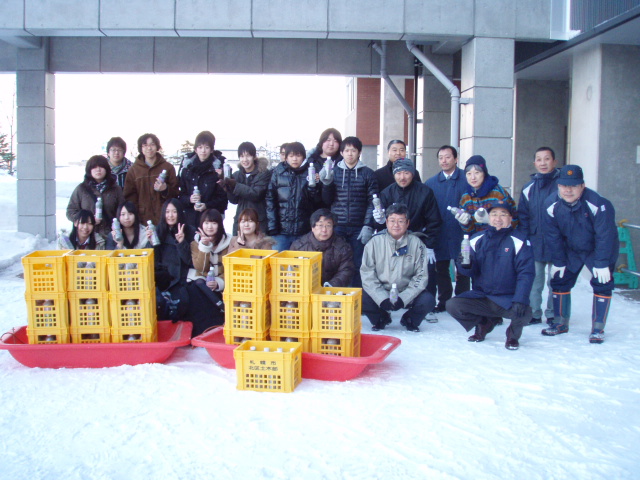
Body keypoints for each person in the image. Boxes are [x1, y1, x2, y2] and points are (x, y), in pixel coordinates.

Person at [541, 165, 619, 344]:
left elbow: (605, 235)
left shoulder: (599, 204)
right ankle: (560, 323)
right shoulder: (550, 205)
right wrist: (559, 261)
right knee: (560, 280)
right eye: (564, 186)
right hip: (571, 249)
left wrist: (601, 263)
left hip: (597, 249)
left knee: (603, 282)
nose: (568, 190)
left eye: (574, 186)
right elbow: (553, 236)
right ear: (558, 186)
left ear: (582, 186)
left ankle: (598, 328)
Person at [446, 199, 534, 350]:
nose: (498, 219)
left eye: (503, 214)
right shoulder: (477, 239)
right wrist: (465, 265)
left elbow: (526, 274)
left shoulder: (519, 241)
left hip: (507, 299)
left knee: (525, 313)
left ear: (510, 217)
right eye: (494, 214)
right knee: (453, 305)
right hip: (482, 296)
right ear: (488, 217)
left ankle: (513, 335)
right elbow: (469, 271)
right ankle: (484, 324)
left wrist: (520, 299)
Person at [360, 203, 435, 332]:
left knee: (427, 300)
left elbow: (421, 276)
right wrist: (381, 298)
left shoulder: (417, 244)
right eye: (392, 221)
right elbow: (367, 274)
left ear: (407, 223)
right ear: (386, 222)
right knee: (360, 297)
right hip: (382, 289)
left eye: (401, 221)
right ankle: (380, 318)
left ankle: (410, 319)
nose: (396, 225)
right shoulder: (374, 243)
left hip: (406, 290)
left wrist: (404, 298)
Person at [319, 136, 378, 287]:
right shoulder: (334, 172)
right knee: (335, 263)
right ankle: (336, 298)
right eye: (347, 150)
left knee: (358, 264)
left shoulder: (368, 174)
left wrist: (368, 225)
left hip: (359, 227)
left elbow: (373, 202)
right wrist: (326, 183)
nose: (350, 154)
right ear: (342, 152)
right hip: (338, 226)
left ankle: (357, 297)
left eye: (353, 150)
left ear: (359, 152)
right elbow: (326, 201)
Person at [424, 145, 471, 312]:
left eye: (448, 157)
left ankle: (463, 301)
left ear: (456, 159)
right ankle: (443, 301)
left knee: (464, 267)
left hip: (462, 233)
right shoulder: (431, 183)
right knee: (441, 268)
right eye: (441, 158)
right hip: (441, 233)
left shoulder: (466, 179)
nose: (444, 161)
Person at [517, 147, 561, 325]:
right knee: (534, 281)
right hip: (534, 241)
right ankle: (534, 313)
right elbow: (523, 216)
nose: (543, 163)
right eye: (539, 159)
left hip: (558, 242)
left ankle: (553, 313)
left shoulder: (563, 186)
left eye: (547, 159)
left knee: (556, 281)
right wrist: (525, 239)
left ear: (554, 162)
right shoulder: (528, 188)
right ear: (534, 163)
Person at [376, 157, 441, 262]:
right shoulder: (386, 193)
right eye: (398, 173)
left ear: (412, 173)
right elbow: (380, 224)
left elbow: (434, 221)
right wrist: (380, 221)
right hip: (393, 245)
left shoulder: (425, 192)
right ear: (394, 174)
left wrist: (429, 246)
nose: (402, 177)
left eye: (406, 173)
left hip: (419, 242)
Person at [266, 141, 323, 251]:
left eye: (298, 155)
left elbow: (316, 201)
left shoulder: (310, 172)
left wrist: (314, 187)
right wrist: (272, 226)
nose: (294, 159)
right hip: (281, 231)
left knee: (301, 264)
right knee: (279, 264)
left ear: (303, 157)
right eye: (291, 156)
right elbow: (270, 200)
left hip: (303, 231)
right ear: (286, 157)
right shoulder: (278, 172)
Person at [187, 208, 230, 335]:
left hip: (224, 283)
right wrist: (204, 246)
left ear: (219, 225)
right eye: (206, 223)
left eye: (213, 223)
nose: (209, 227)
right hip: (204, 283)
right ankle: (203, 331)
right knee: (195, 290)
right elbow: (200, 268)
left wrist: (219, 282)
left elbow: (231, 268)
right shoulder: (195, 243)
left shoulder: (229, 242)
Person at [152, 199, 195, 324]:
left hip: (183, 278)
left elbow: (189, 261)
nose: (170, 215)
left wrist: (181, 243)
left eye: (174, 212)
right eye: (167, 212)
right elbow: (154, 261)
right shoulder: (158, 231)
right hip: (165, 279)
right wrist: (151, 243)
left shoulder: (189, 230)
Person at [290, 209, 355, 288]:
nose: (324, 230)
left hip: (332, 291)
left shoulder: (343, 247)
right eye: (320, 225)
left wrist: (331, 285)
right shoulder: (299, 246)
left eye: (328, 225)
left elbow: (346, 270)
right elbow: (292, 272)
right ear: (312, 228)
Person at [123, 133, 179, 225]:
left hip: (165, 218)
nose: (149, 148)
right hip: (143, 220)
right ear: (141, 148)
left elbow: (176, 193)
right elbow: (129, 196)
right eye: (145, 145)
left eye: (152, 144)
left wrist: (165, 189)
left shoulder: (168, 167)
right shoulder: (133, 170)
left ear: (157, 147)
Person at [455, 155, 518, 235]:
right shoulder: (466, 198)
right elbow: (469, 231)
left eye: (477, 173)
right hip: (478, 242)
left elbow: (513, 220)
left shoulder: (497, 193)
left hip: (501, 239)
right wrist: (465, 223)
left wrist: (491, 221)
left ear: (484, 173)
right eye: (469, 174)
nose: (473, 177)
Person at [178, 131, 228, 229]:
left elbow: (223, 199)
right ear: (195, 149)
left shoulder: (218, 168)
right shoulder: (186, 167)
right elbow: (180, 194)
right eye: (200, 147)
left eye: (207, 147)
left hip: (211, 221)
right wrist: (189, 199)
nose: (203, 151)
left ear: (212, 150)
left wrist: (207, 205)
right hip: (190, 219)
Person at [66, 155, 124, 240]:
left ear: (107, 169)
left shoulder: (115, 189)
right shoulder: (81, 189)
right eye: (94, 167)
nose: (98, 170)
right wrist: (86, 220)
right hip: (87, 236)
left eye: (101, 167)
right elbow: (70, 211)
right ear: (89, 170)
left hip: (111, 236)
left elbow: (122, 211)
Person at [222, 141, 271, 236]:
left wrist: (235, 186)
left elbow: (256, 194)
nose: (245, 159)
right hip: (241, 220)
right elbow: (234, 200)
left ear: (254, 157)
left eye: (248, 156)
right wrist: (228, 188)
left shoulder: (264, 173)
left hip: (258, 221)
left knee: (258, 249)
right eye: (242, 156)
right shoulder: (237, 175)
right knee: (239, 249)